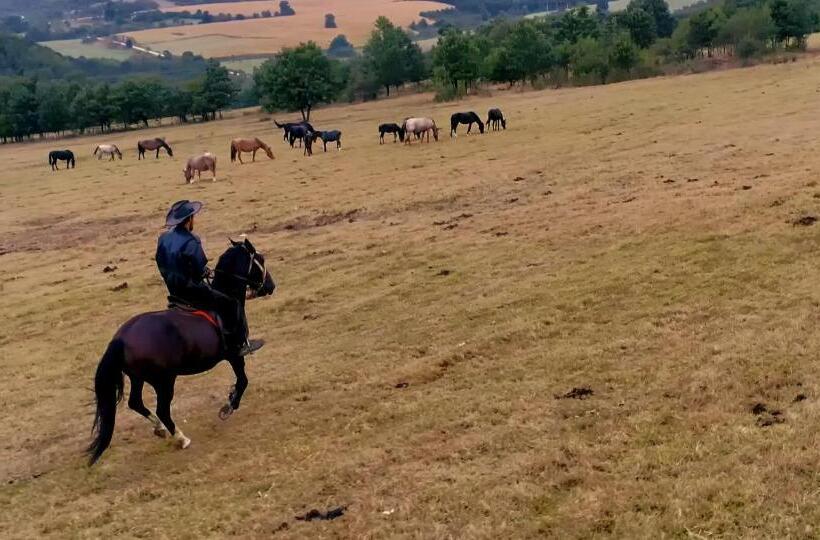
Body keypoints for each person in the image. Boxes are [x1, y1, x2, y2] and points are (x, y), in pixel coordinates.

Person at [155, 200, 263, 358]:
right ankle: (239, 344)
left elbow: (160, 261)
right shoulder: (192, 240)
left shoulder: (163, 238)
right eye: (193, 217)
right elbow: (199, 269)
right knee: (232, 304)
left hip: (173, 291)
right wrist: (204, 272)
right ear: (189, 219)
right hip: (192, 291)